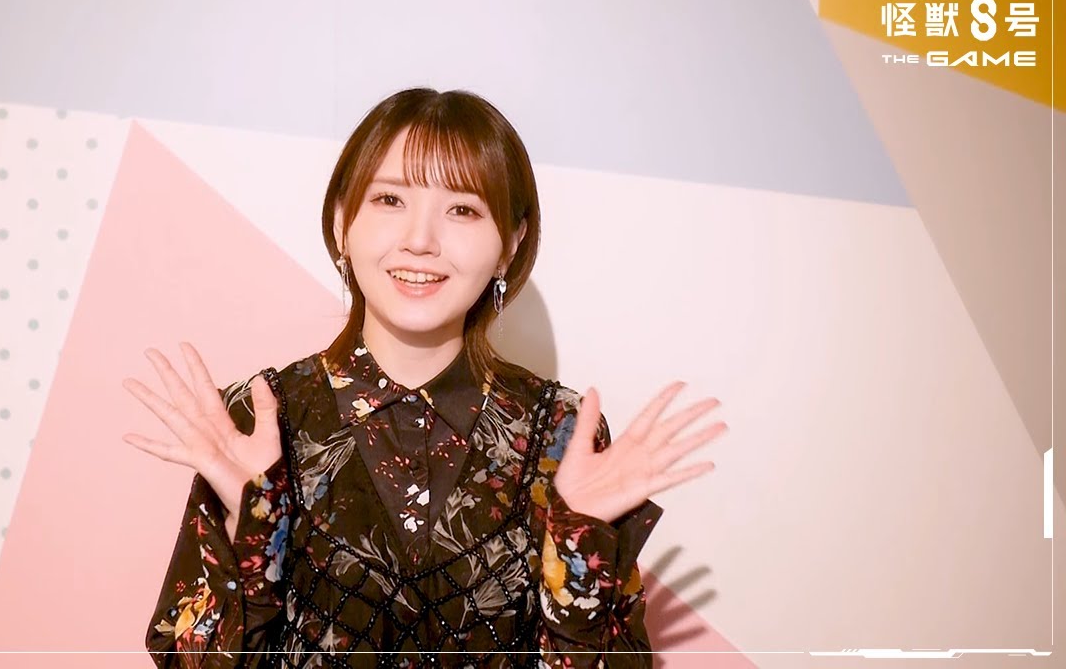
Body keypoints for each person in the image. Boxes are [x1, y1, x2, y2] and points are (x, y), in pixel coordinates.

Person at [123, 88, 726, 667]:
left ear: (510, 244)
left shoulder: (560, 435)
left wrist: (578, 549)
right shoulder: (263, 418)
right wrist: (249, 529)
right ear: (342, 222)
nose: (420, 241)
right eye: (390, 201)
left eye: (462, 210)